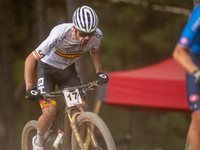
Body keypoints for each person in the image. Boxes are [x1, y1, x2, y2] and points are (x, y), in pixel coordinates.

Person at [24, 5, 109, 150]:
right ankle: (38, 142)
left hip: (67, 71)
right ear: (74, 28)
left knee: (78, 110)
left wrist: (99, 72)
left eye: (90, 33)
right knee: (49, 112)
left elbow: (95, 52)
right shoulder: (60, 34)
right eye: (83, 33)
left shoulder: (96, 36)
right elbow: (30, 59)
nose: (87, 37)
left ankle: (75, 143)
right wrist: (29, 87)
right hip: (47, 70)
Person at [173, 1, 200, 150]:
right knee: (198, 118)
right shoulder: (199, 13)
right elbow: (178, 52)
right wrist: (196, 72)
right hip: (195, 58)